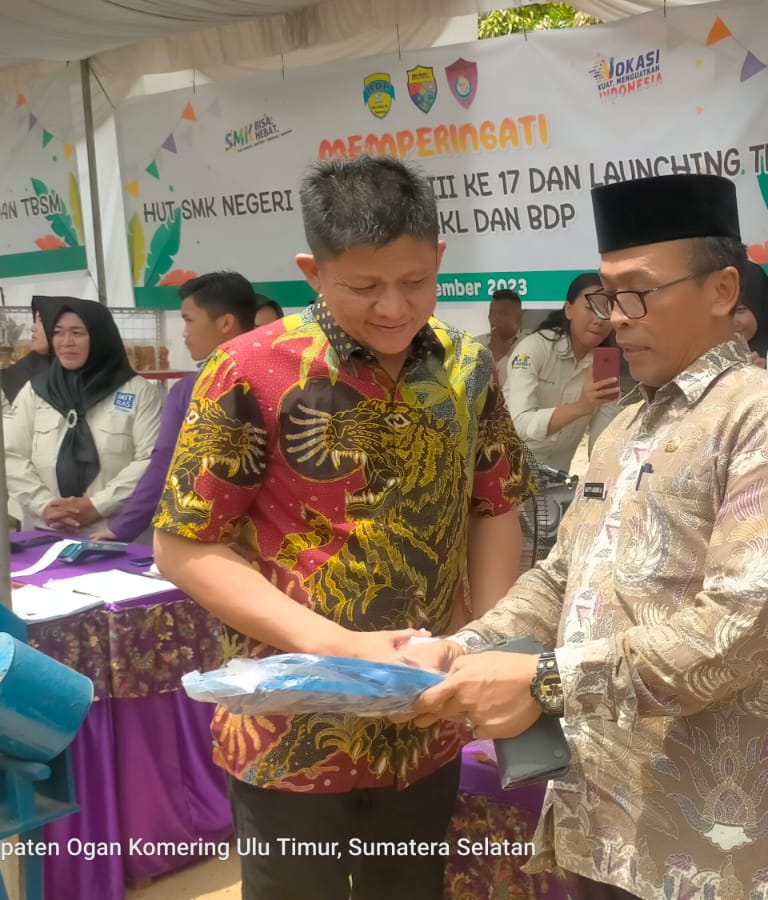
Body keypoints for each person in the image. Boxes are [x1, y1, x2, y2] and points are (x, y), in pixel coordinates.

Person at [402, 173, 768, 900]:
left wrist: (544, 681)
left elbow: (736, 630)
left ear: (723, 290)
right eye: (606, 296)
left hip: (704, 831)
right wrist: (469, 645)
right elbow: (561, 575)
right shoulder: (625, 423)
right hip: (596, 809)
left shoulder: (766, 419)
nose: (615, 320)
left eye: (637, 294)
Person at [151, 156, 532, 900]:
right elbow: (183, 545)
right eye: (365, 287)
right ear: (313, 271)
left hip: (425, 720)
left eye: (416, 282)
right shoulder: (249, 370)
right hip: (290, 728)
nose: (394, 307)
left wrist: (482, 641)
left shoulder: (465, 367)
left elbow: (496, 505)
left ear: (440, 263)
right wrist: (337, 644)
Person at [96, 272, 258, 543]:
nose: (184, 333)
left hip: (211, 538)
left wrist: (123, 529)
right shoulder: (286, 378)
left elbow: (165, 463)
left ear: (226, 323)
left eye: (189, 320)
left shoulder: (191, 390)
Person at [5, 298, 163, 532]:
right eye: (58, 333)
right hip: (45, 528)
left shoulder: (138, 392)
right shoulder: (36, 390)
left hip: (110, 531)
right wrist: (45, 506)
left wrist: (97, 506)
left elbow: (150, 460)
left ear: (100, 336)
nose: (66, 342)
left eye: (77, 333)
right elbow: (11, 454)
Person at [501, 272, 620, 472]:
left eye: (607, 310)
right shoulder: (534, 348)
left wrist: (600, 483)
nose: (599, 320)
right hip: (508, 475)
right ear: (568, 309)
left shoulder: (604, 365)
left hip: (556, 483)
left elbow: (602, 439)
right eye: (591, 308)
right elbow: (519, 424)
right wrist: (581, 406)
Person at [0, 296, 67, 407]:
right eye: (35, 320)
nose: (33, 327)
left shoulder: (73, 374)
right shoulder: (33, 361)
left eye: (41, 320)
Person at [732, 259, 768, 366]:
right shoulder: (698, 361)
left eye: (740, 310)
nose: (730, 322)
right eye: (722, 310)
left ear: (762, 308)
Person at [489, 287, 524, 364]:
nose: (495, 318)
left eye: (503, 313)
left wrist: (499, 358)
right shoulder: (477, 344)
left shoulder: (530, 345)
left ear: (518, 317)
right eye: (492, 312)